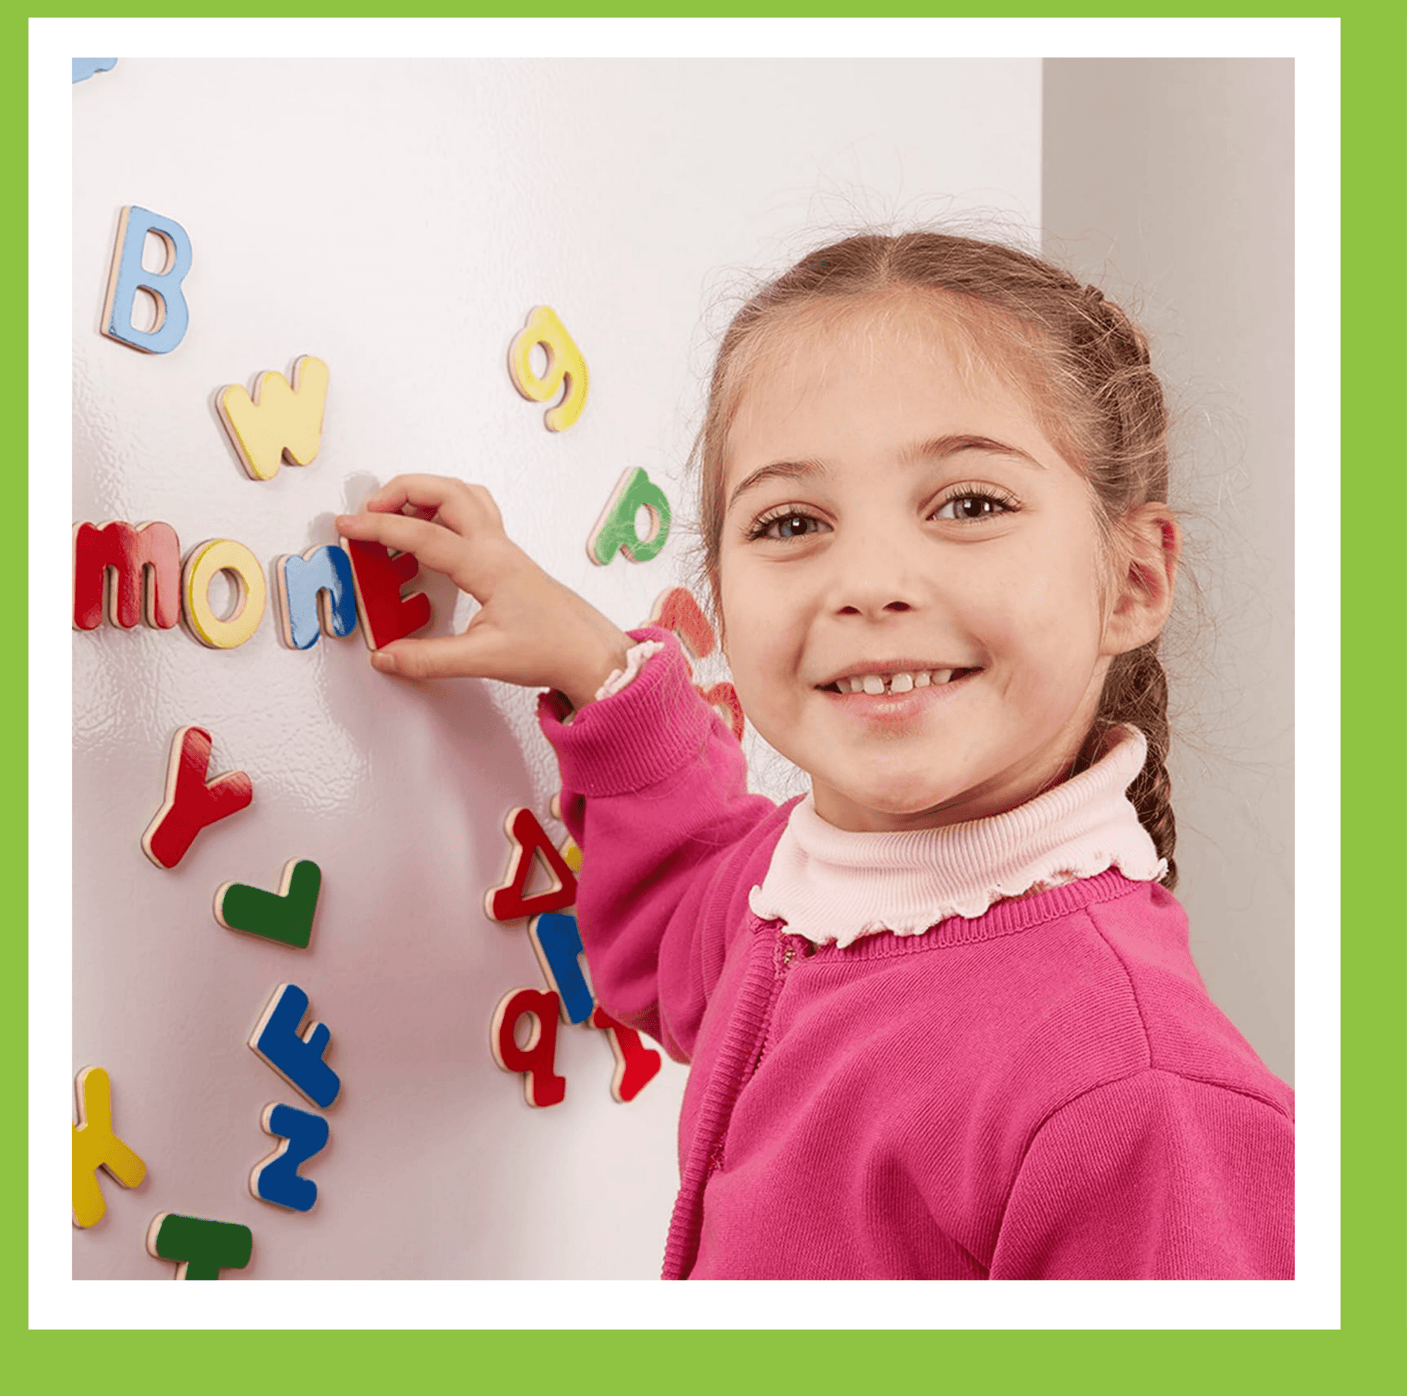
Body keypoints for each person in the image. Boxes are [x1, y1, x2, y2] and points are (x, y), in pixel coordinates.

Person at [335, 231, 1294, 1280]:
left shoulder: (1142, 1095)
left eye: (967, 504)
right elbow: (684, 905)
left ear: (1130, 583)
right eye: (791, 522)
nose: (869, 581)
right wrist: (592, 664)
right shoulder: (805, 902)